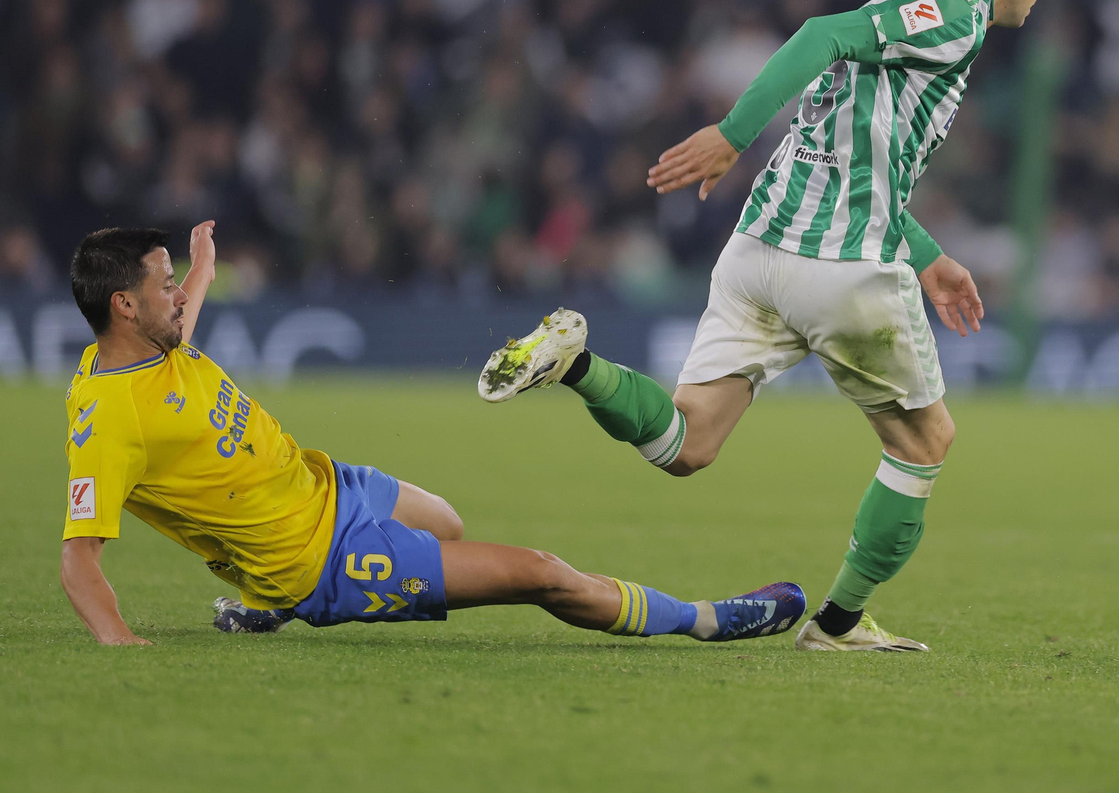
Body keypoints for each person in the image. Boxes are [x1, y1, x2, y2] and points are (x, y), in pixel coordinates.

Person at [479, 0, 1059, 651]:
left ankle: (574, 362)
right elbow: (820, 33)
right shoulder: (960, 8)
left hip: (759, 251)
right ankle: (838, 625)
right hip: (839, 266)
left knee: (689, 444)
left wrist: (927, 256)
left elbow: (856, 147)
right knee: (924, 443)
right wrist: (732, 131)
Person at [59, 222, 804, 644]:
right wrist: (119, 639)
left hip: (323, 485)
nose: (179, 295)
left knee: (446, 521)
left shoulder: (149, 340)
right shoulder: (109, 417)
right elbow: (78, 559)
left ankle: (264, 604)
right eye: (165, 285)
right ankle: (706, 621)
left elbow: (183, 311)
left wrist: (203, 267)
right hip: (320, 557)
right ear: (124, 306)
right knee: (540, 573)